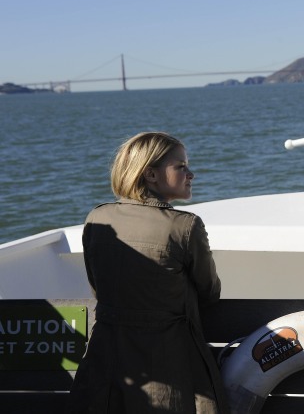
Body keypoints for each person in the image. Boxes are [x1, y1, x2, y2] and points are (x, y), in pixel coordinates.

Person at [67, 132, 229, 413]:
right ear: (151, 175)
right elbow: (210, 291)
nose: (191, 174)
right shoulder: (184, 226)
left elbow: (100, 287)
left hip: (105, 366)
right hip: (170, 366)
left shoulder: (97, 218)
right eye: (181, 166)